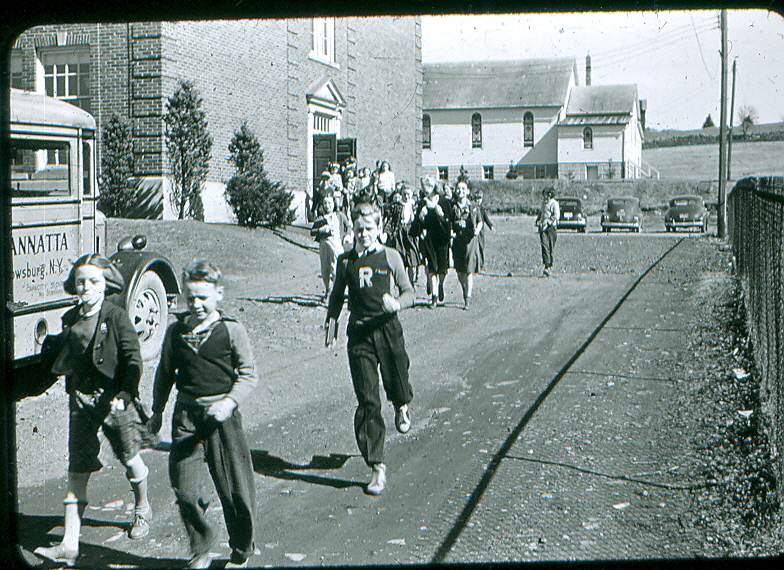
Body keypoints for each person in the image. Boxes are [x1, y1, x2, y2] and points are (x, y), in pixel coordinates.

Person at [34, 255, 152, 567]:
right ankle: (69, 544)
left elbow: (133, 359)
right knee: (77, 468)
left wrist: (126, 393)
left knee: (129, 457)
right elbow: (68, 351)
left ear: (106, 285)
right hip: (81, 398)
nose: (86, 287)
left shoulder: (116, 316)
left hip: (115, 398)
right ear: (74, 285)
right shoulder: (71, 317)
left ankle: (142, 507)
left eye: (94, 281)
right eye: (81, 281)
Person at [148, 261, 258, 569]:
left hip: (223, 421)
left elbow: (248, 375)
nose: (195, 305)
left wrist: (229, 402)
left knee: (235, 490)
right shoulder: (176, 332)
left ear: (219, 294)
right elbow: (165, 373)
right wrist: (156, 412)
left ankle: (241, 549)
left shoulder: (231, 330)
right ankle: (202, 547)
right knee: (185, 489)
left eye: (203, 298)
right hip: (186, 418)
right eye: (190, 298)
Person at [325, 202, 416, 496]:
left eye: (369, 229)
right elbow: (337, 296)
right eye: (358, 229)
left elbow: (409, 291)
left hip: (388, 329)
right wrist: (331, 325)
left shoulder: (390, 256)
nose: (363, 234)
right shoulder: (345, 262)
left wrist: (397, 303)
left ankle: (402, 405)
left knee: (398, 378)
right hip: (360, 335)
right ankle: (377, 465)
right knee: (368, 400)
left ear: (379, 229)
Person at [311, 191, 353, 300]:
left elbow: (348, 226)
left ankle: (338, 293)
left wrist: (347, 236)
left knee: (337, 269)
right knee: (325, 269)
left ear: (334, 203)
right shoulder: (320, 218)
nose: (327, 206)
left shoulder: (340, 215)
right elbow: (312, 231)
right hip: (324, 244)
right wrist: (321, 230)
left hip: (336, 243)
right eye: (325, 203)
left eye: (329, 203)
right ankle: (328, 290)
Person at [417, 176, 452, 308]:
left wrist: (440, 214)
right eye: (424, 189)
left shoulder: (443, 202)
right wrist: (421, 219)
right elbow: (418, 222)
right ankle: (434, 297)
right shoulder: (423, 203)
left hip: (442, 239)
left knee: (442, 270)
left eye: (428, 188)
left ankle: (441, 285)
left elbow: (449, 222)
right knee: (432, 268)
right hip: (429, 238)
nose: (426, 191)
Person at [450, 181, 483, 310]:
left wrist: (477, 230)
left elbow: (480, 221)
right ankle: (464, 289)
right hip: (458, 240)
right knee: (460, 271)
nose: (460, 191)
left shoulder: (473, 206)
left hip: (470, 240)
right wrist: (451, 231)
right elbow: (450, 222)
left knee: (469, 269)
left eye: (463, 189)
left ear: (467, 191)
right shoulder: (452, 206)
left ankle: (467, 298)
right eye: (458, 189)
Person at [535, 187, 560, 277]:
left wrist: (548, 221)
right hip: (543, 228)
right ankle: (546, 266)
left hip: (551, 228)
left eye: (545, 194)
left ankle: (550, 265)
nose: (543, 197)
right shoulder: (543, 203)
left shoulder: (554, 203)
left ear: (549, 195)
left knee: (550, 247)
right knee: (544, 246)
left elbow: (556, 215)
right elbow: (542, 213)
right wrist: (538, 220)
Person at [472, 188, 494, 273]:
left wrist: (491, 226)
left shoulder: (481, 208)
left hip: (481, 232)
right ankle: (475, 266)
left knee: (481, 247)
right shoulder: (472, 208)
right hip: (474, 230)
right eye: (476, 199)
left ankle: (481, 265)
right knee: (474, 248)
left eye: (479, 199)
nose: (478, 201)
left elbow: (486, 218)